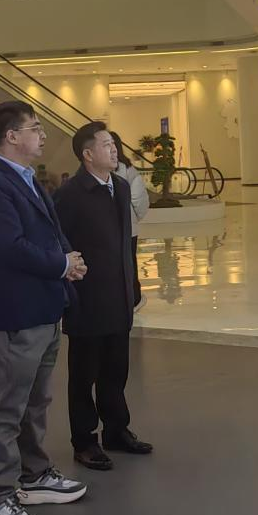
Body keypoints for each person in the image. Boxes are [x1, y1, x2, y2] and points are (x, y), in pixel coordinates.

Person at [0, 101, 89, 515]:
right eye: (34, 128)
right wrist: (61, 264)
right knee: (8, 407)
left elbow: (49, 231)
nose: (42, 135)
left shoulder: (26, 178)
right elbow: (9, 246)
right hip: (17, 313)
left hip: (45, 306)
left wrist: (68, 259)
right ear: (11, 137)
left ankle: (34, 475)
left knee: (36, 401)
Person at [55, 123, 154, 472]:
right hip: (87, 299)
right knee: (84, 374)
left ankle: (116, 430)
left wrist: (131, 287)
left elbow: (127, 243)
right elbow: (60, 243)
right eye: (106, 145)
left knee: (115, 370)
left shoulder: (121, 187)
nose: (114, 150)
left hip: (118, 295)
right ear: (87, 154)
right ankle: (84, 440)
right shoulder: (70, 194)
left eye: (113, 143)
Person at [110, 131, 149, 308]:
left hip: (108, 229)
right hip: (128, 228)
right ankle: (134, 299)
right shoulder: (128, 170)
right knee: (129, 263)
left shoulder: (98, 169)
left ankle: (117, 299)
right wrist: (134, 219)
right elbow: (139, 200)